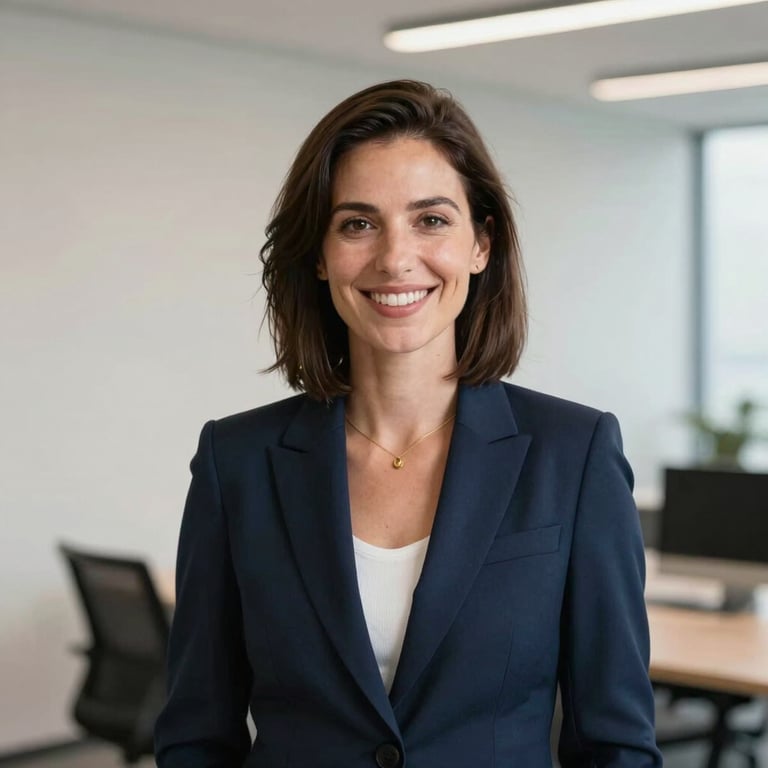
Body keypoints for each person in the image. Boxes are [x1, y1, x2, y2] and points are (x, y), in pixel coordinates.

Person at [154, 79, 661, 768]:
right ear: (321, 255)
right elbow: (196, 736)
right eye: (358, 223)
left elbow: (616, 745)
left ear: (481, 243)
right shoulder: (236, 461)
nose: (395, 258)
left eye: (431, 220)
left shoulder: (573, 456)